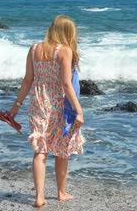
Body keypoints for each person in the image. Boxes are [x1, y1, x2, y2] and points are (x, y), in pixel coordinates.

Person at [8, 15, 85, 207]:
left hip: (38, 102)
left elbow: (27, 80)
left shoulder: (34, 49)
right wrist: (79, 110)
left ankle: (39, 197)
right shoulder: (64, 51)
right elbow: (66, 85)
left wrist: (16, 106)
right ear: (67, 32)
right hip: (59, 103)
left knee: (40, 149)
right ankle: (61, 193)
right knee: (62, 150)